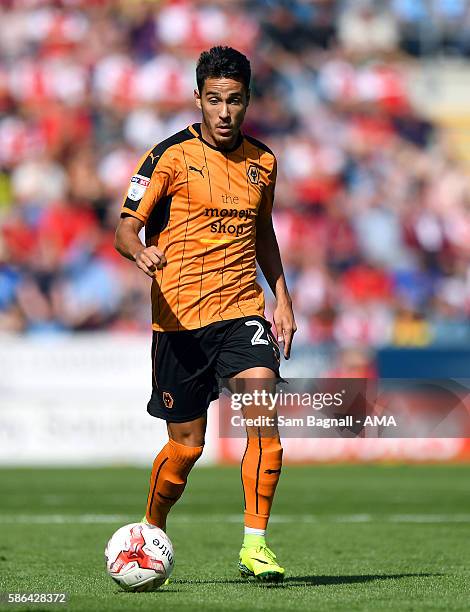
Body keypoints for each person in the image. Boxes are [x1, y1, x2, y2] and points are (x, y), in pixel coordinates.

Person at [114, 46, 296, 582]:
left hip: (242, 309)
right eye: (214, 100)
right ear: (198, 99)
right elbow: (126, 225)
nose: (223, 112)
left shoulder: (264, 162)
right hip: (179, 322)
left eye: (234, 101)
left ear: (247, 102)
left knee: (263, 411)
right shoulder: (168, 157)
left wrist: (281, 296)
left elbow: (263, 232)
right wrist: (138, 249)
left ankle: (256, 544)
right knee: (186, 446)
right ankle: (150, 528)